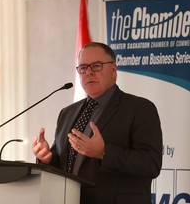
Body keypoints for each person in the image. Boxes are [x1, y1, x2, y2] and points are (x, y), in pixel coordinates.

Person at [32, 42, 163, 204]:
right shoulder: (67, 113)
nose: (89, 72)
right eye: (83, 67)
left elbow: (151, 163)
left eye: (96, 66)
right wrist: (47, 159)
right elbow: (62, 163)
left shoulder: (140, 108)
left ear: (114, 69)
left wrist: (104, 152)